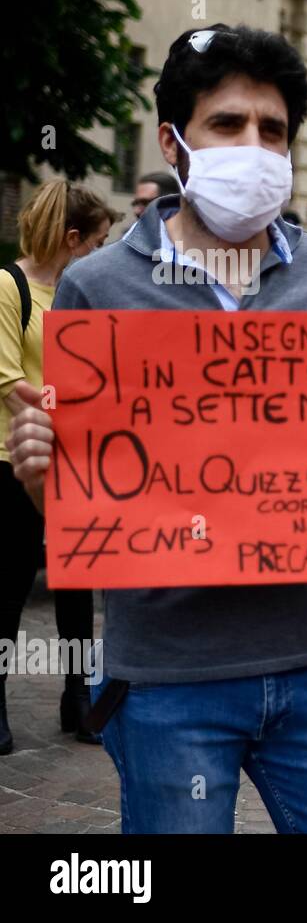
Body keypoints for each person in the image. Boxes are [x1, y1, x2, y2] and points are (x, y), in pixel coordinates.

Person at [4, 23, 307, 832]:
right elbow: (77, 519)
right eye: (228, 124)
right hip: (164, 682)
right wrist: (41, 477)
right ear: (174, 141)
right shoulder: (97, 285)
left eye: (273, 130)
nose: (255, 145)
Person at [1, 180, 116, 755]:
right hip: (13, 459)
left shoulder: (85, 292)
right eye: (97, 242)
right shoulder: (9, 286)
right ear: (72, 239)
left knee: (76, 582)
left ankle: (79, 700)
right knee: (11, 580)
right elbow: (6, 381)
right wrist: (70, 410)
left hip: (76, 459)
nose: (101, 253)